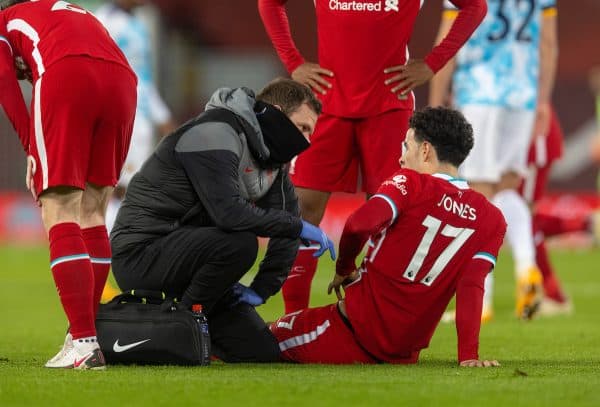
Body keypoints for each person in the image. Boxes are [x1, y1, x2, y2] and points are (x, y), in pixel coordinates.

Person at [258, 0, 488, 314]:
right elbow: (269, 4)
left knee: (387, 213)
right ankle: (293, 317)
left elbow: (475, 7)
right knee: (302, 208)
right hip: (327, 107)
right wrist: (293, 62)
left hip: (388, 109)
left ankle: (373, 316)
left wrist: (433, 64)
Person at [110, 78, 336, 363]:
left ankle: (190, 319)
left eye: (310, 133)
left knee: (260, 353)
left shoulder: (271, 161)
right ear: (277, 112)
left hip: (192, 261)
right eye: (303, 127)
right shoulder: (214, 132)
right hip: (142, 253)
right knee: (240, 244)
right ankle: (182, 326)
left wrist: (261, 289)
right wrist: (299, 227)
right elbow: (229, 213)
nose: (306, 140)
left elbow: (286, 224)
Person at [270, 106, 506, 366]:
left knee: (250, 339)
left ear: (425, 150)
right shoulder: (491, 218)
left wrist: (344, 267)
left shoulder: (410, 183)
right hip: (402, 356)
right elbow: (471, 286)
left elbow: (359, 225)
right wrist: (468, 356)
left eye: (406, 146)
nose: (401, 159)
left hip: (347, 334)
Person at [0, 0, 137, 369]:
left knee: (58, 205)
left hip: (67, 72)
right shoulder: (71, 10)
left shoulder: (4, 21)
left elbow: (4, 82)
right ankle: (83, 334)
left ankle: (83, 341)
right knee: (93, 209)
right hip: (123, 82)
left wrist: (31, 143)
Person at [429, 0, 559, 320]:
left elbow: (447, 44)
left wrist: (435, 106)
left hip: (479, 94)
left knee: (479, 194)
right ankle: (528, 268)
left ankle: (480, 301)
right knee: (506, 188)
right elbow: (549, 44)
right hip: (522, 96)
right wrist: (541, 101)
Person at [94, 0, 176, 301]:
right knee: (113, 192)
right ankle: (103, 275)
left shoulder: (139, 25)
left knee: (129, 192)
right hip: (119, 115)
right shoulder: (103, 22)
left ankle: (118, 267)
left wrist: (162, 117)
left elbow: (144, 80)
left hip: (140, 119)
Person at [520, 107, 573, 316]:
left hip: (534, 141)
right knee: (519, 217)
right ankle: (587, 224)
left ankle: (555, 295)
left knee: (525, 218)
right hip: (522, 139)